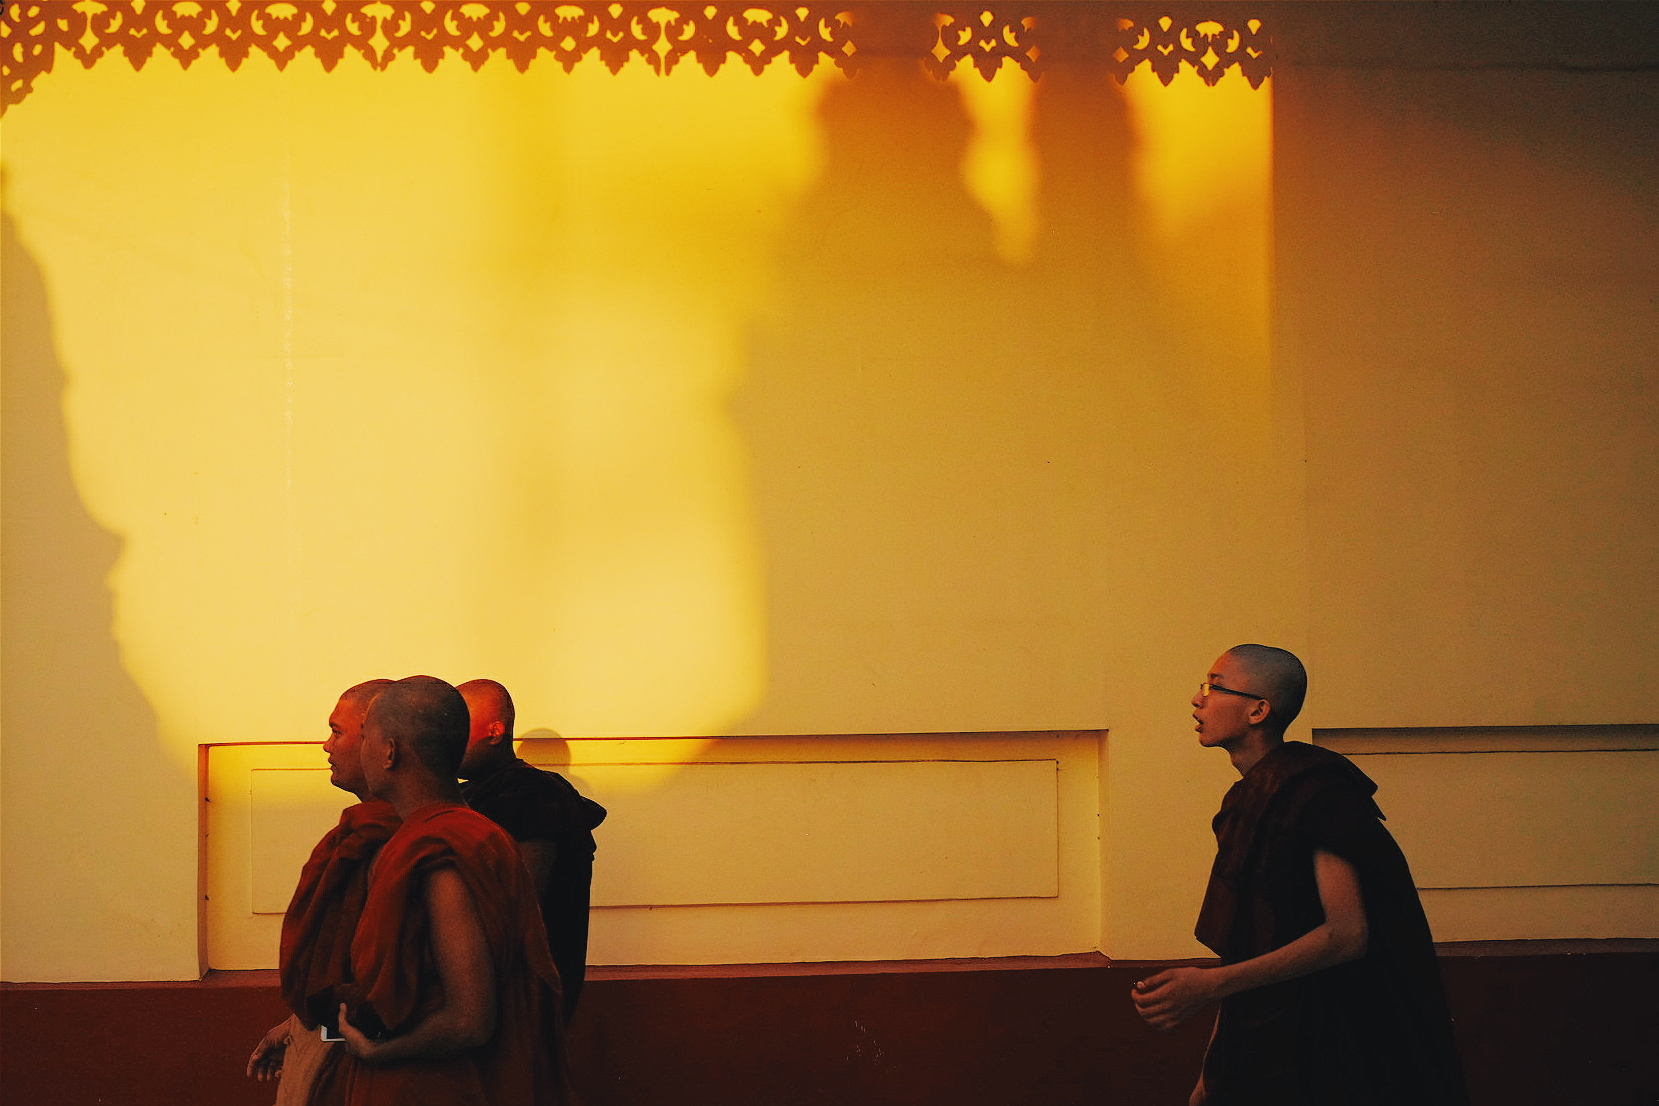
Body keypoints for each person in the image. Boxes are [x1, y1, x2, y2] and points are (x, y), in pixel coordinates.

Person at [1133, 645, 1468, 1106]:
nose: (1197, 698)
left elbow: (1347, 935)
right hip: (1267, 1042)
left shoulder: (1318, 794)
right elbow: (1248, 943)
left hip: (1337, 1047)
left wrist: (1209, 985)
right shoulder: (1246, 801)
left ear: (1258, 710)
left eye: (1214, 686)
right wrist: (1212, 1073)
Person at [314, 675, 570, 1106]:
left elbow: (470, 1020)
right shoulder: (438, 837)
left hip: (440, 1084)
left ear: (390, 751)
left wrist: (377, 1051)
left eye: (366, 738)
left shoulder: (442, 853)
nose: (354, 749)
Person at [248, 679, 398, 1103]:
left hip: (363, 1056)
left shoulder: (400, 841)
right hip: (332, 1035)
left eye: (337, 732)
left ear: (379, 743)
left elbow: (385, 979)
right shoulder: (362, 832)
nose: (326, 746)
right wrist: (298, 1025)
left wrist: (332, 1036)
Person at [457, 678, 606, 1022]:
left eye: (460, 725)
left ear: (495, 731)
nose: (447, 738)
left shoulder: (532, 795)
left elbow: (520, 906)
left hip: (520, 999)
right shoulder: (473, 793)